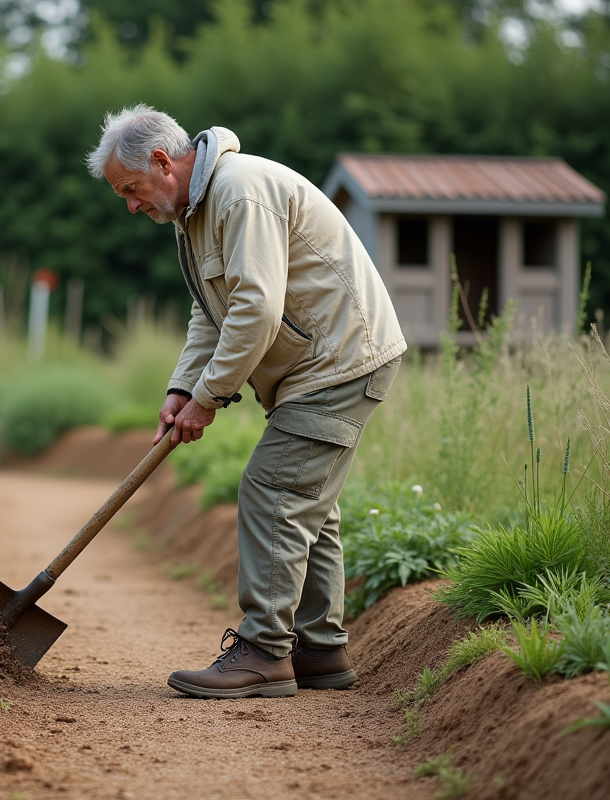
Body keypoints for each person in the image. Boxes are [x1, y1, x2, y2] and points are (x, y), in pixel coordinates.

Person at [86, 104, 406, 699]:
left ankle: (264, 650)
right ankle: (319, 650)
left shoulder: (238, 193)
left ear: (162, 161)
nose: (131, 205)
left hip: (339, 360)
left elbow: (256, 309)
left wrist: (210, 397)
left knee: (275, 489)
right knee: (308, 504)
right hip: (320, 363)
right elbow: (215, 312)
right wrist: (183, 387)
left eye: (131, 190)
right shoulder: (197, 212)